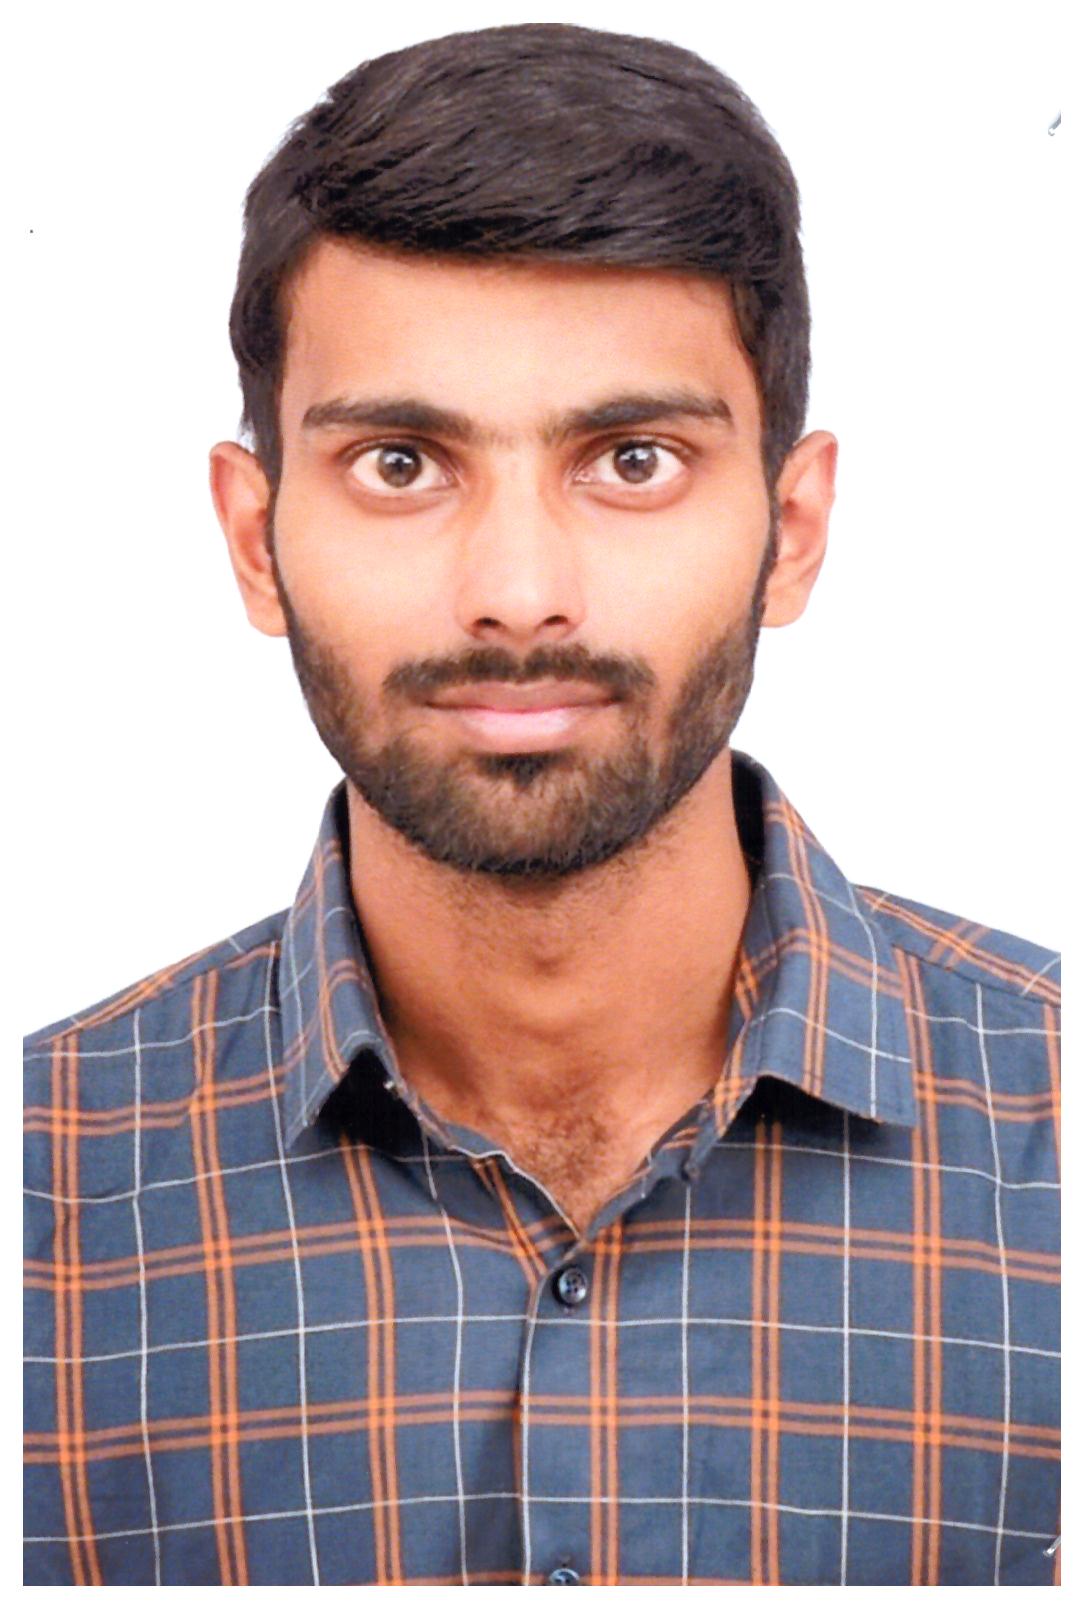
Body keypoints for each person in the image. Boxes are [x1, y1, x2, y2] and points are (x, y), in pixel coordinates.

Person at [23, 22, 1060, 1588]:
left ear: (791, 530)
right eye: (400, 464)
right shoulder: (38, 1193)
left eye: (632, 460)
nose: (517, 592)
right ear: (254, 539)